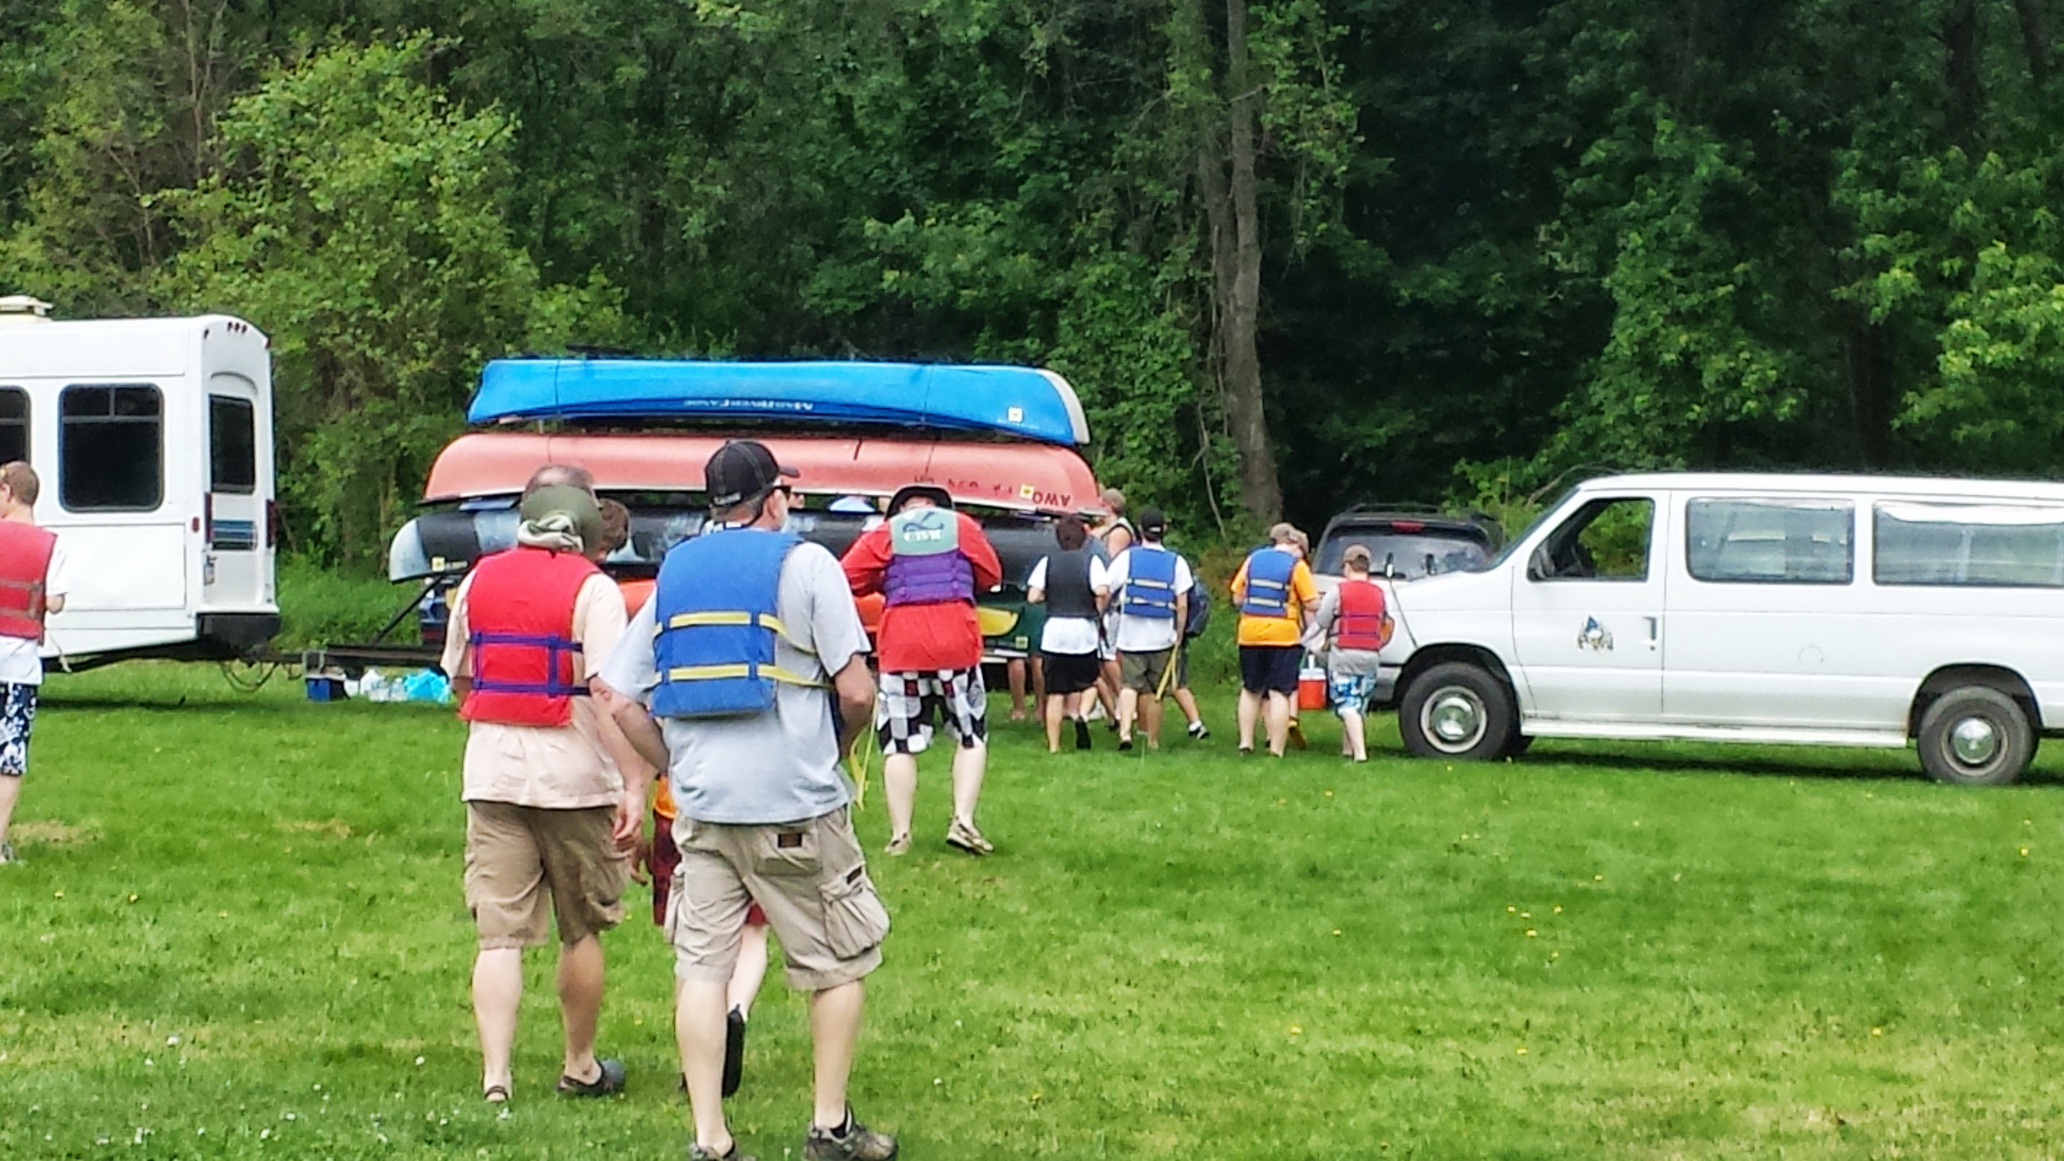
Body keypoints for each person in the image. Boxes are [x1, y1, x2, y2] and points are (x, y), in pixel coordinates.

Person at [600, 439, 894, 1161]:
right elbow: (856, 688)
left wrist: (677, 765)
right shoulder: (807, 564)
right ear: (773, 499)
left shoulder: (675, 572)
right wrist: (832, 742)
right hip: (794, 803)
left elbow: (617, 697)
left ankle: (711, 1139)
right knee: (841, 960)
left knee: (702, 967)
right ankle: (830, 1126)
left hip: (703, 809)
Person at [440, 481, 642, 1104]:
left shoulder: (477, 581)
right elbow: (608, 694)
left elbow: (459, 675)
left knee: (498, 935)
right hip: (576, 781)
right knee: (581, 929)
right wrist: (636, 780)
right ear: (587, 534)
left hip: (493, 775)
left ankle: (495, 1077)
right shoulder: (594, 589)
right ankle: (579, 1065)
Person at [840, 483, 1003, 857]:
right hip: (956, 642)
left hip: (902, 646)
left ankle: (901, 835)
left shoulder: (886, 533)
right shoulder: (962, 526)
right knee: (970, 734)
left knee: (899, 742)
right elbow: (991, 575)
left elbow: (847, 577)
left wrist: (884, 581)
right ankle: (963, 819)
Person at [0, 462, 67, 866]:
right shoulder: (50, 544)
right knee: (9, 756)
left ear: (9, 492)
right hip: (19, 664)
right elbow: (56, 601)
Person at [1104, 507, 1192, 751]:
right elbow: (1182, 604)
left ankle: (1125, 733)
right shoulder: (1177, 562)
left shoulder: (1127, 558)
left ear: (1140, 530)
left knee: (1129, 686)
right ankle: (1152, 740)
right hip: (1163, 637)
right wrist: (1179, 635)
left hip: (1131, 636)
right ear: (1164, 530)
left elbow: (1107, 587)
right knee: (1156, 691)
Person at [1230, 522, 1319, 757]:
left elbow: (1238, 597)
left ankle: (1245, 744)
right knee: (1280, 692)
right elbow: (1311, 602)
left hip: (1249, 633)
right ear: (1293, 543)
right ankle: (1276, 749)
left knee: (1251, 690)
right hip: (1283, 635)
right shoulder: (1296, 566)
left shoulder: (1253, 559)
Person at [1025, 515, 1109, 753]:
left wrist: (1048, 595)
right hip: (1082, 630)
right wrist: (1097, 606)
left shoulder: (1047, 561)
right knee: (1090, 681)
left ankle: (1053, 746)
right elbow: (1101, 589)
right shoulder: (1091, 561)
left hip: (1055, 632)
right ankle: (1082, 713)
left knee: (1055, 692)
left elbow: (1032, 596)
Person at [1311, 545, 1393, 761]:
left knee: (1347, 704)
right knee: (1359, 704)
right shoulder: (1379, 593)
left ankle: (1359, 753)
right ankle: (1347, 749)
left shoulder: (1339, 591)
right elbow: (1385, 622)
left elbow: (1321, 620)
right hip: (1371, 655)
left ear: (1347, 566)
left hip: (1344, 652)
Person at [1087, 488, 1135, 726]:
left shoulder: (1120, 531)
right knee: (1101, 655)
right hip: (1105, 599)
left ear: (1109, 505)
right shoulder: (1108, 530)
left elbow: (1109, 561)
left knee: (1108, 654)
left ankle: (1123, 699)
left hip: (1114, 602)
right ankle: (1109, 704)